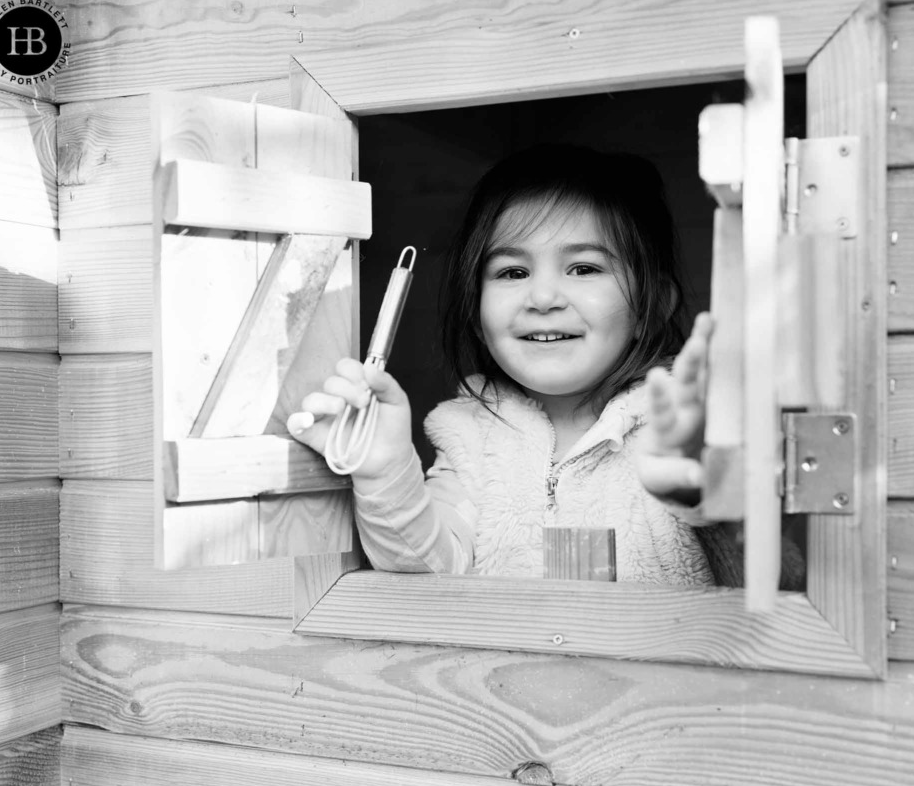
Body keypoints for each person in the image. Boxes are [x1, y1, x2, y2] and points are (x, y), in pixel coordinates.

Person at [287, 144, 749, 586]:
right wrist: (385, 471)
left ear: (653, 305)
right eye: (513, 272)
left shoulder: (689, 423)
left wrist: (708, 491)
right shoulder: (469, 434)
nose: (543, 297)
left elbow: (776, 581)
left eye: (584, 268)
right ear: (476, 310)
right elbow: (427, 572)